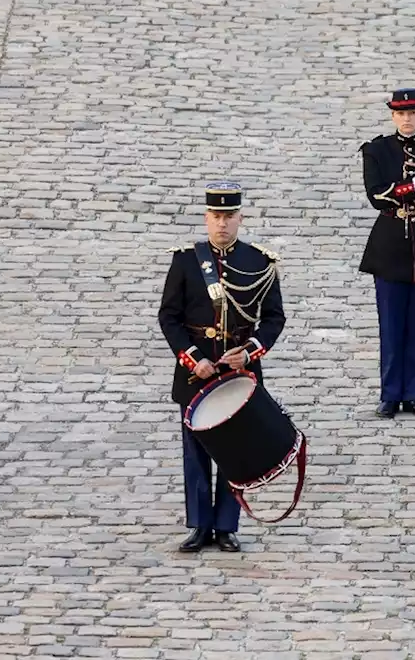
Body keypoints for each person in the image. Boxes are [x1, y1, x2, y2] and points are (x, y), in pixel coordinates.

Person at [158, 182, 286, 553]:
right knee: (195, 451)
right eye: (216, 217)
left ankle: (227, 525)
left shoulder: (259, 262)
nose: (222, 225)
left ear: (240, 218)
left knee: (235, 451)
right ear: (206, 218)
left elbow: (274, 319)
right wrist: (192, 358)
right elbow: (169, 317)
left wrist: (249, 352)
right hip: (196, 371)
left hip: (238, 372)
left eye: (229, 217)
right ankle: (200, 524)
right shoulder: (185, 261)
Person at [359, 88, 415, 419]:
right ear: (393, 115)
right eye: (401, 113)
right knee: (391, 325)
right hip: (392, 244)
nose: (407, 119)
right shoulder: (378, 150)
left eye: (412, 112)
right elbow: (377, 195)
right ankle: (390, 393)